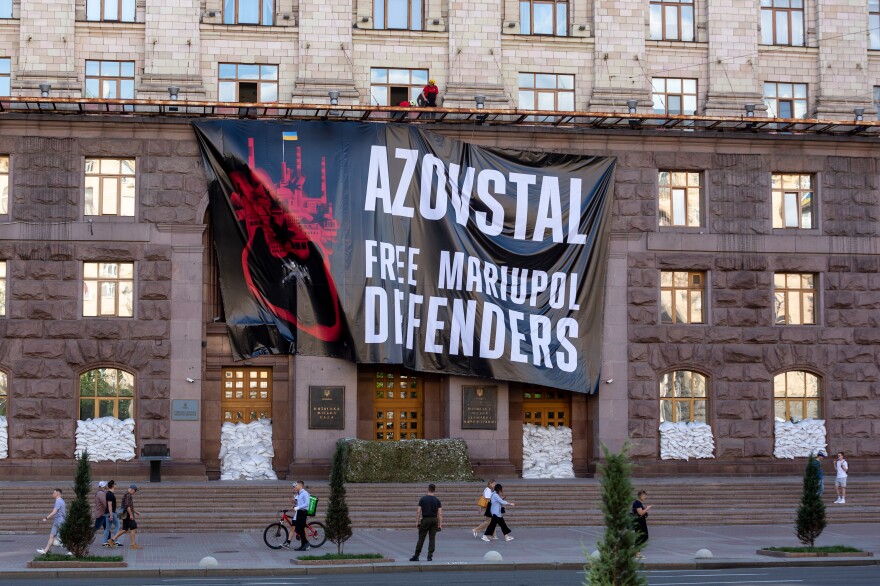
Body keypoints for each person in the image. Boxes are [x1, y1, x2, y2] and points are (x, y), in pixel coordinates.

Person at [410, 483, 442, 561]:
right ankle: (430, 555)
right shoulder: (437, 500)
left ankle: (416, 555)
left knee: (421, 538)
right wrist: (440, 525)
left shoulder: (423, 499)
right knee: (432, 538)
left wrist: (417, 522)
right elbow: (440, 513)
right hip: (434, 520)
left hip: (425, 520)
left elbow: (418, 511)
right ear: (434, 490)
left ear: (428, 489)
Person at [108, 484, 141, 549]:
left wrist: (135, 511)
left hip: (124, 514)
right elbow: (128, 506)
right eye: (135, 491)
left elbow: (128, 506)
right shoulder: (128, 495)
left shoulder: (126, 494)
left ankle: (111, 540)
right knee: (133, 527)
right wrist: (131, 514)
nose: (135, 492)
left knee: (124, 529)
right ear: (132, 489)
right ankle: (133, 545)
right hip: (128, 514)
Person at [37, 488, 66, 555]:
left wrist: (46, 517)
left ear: (57, 494)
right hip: (56, 521)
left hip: (60, 521)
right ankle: (45, 551)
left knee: (63, 537)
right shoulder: (59, 501)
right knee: (51, 536)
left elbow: (54, 511)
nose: (52, 494)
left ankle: (71, 551)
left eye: (53, 493)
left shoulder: (59, 501)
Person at [288, 480, 311, 551]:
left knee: (299, 528)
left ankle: (306, 543)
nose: (295, 487)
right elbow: (299, 503)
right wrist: (295, 505)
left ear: (300, 486)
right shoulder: (300, 494)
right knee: (299, 528)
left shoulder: (305, 493)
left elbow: (307, 503)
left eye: (296, 485)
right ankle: (303, 545)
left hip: (303, 512)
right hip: (299, 512)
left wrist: (298, 507)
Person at [632, 490, 651, 560]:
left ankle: (636, 552)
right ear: (640, 496)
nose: (645, 497)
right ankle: (637, 553)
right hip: (639, 523)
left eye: (645, 496)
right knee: (642, 537)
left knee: (643, 537)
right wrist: (647, 508)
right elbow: (640, 513)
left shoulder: (638, 503)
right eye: (644, 496)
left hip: (641, 523)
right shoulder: (637, 503)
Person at [103, 480, 119, 547]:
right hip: (111, 513)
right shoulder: (110, 494)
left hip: (108, 513)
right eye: (115, 484)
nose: (116, 485)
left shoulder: (109, 493)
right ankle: (115, 541)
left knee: (107, 528)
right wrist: (111, 515)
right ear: (112, 485)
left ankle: (104, 542)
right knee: (117, 525)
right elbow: (109, 505)